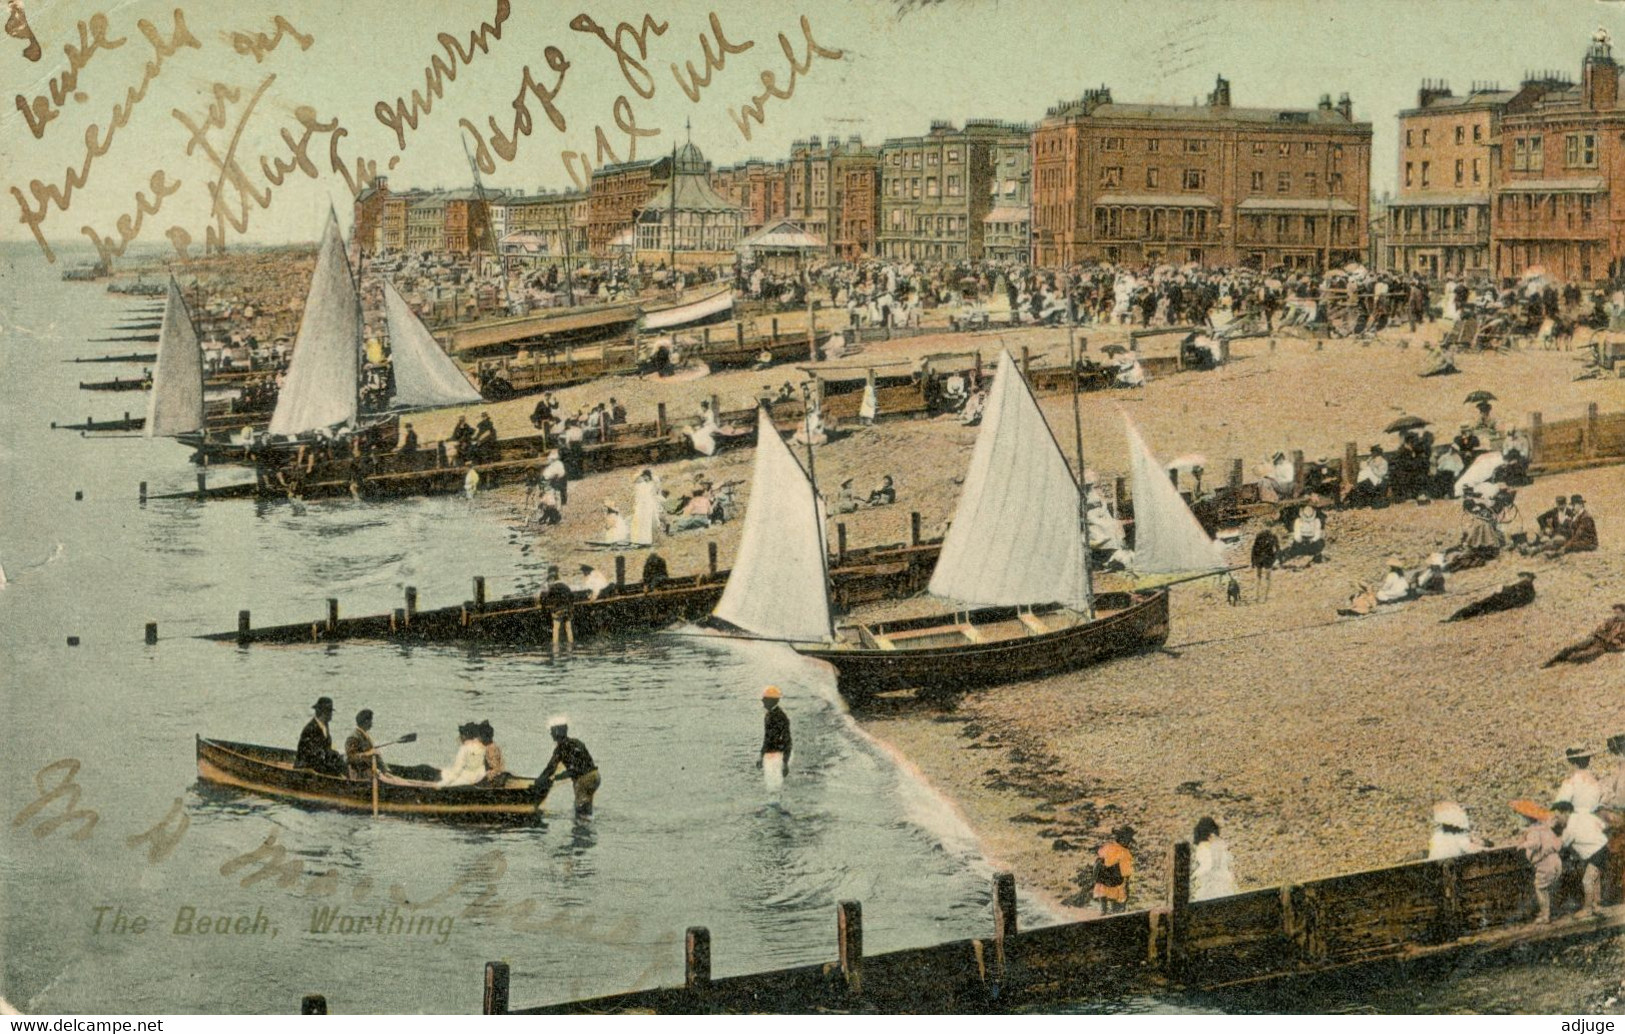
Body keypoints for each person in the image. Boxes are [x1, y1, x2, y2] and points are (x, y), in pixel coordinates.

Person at [1551, 801, 1608, 915]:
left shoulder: (1569, 829)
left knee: (1587, 880)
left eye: (1557, 816)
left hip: (1596, 852)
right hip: (1602, 846)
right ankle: (1596, 905)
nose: (1556, 819)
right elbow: (1602, 825)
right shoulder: (1583, 814)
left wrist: (1550, 828)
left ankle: (1587, 909)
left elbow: (1561, 844)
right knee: (1594, 879)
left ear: (1566, 813)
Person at [1514, 800, 1563, 923]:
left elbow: (1535, 844)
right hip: (1555, 860)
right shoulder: (1545, 827)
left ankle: (1545, 915)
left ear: (1526, 818)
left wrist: (1523, 845)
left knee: (1540, 888)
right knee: (1547, 888)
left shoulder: (1533, 831)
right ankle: (1546, 911)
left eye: (1519, 817)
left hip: (1545, 864)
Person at [540, 718, 600, 817]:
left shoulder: (561, 748)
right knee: (587, 807)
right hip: (595, 776)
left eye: (552, 732)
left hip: (583, 780)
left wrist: (542, 780)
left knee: (580, 812)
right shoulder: (577, 742)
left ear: (557, 733)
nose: (551, 734)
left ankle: (582, 826)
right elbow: (581, 764)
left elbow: (551, 768)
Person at [1545, 603, 1625, 666]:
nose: (1616, 615)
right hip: (1597, 638)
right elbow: (1600, 628)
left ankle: (1566, 661)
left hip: (1606, 646)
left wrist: (1615, 644)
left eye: (1618, 613)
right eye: (1616, 613)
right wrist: (1597, 634)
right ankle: (1556, 659)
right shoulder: (1612, 620)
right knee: (1576, 646)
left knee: (1585, 655)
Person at [1443, 571, 1536, 622]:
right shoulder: (1530, 590)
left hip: (1500, 600)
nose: (1520, 578)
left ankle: (1454, 618)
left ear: (1527, 577)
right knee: (1480, 608)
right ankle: (1455, 617)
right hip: (1504, 603)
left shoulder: (1523, 584)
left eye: (1522, 576)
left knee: (1478, 606)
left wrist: (1502, 588)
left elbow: (1511, 593)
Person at [1191, 817, 1238, 901]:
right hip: (1226, 888)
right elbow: (1228, 866)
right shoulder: (1221, 844)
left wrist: (1194, 876)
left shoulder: (1202, 846)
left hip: (1210, 890)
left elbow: (1207, 866)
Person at [1092, 825, 1136, 914]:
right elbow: (1125, 874)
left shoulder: (1107, 847)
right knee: (1116, 909)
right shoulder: (1125, 853)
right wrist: (1127, 890)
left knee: (1103, 908)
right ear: (1124, 840)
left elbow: (1100, 858)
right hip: (1115, 884)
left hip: (1102, 882)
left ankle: (1103, 913)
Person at [295, 697, 345, 776]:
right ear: (324, 713)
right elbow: (310, 753)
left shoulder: (325, 725)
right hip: (307, 765)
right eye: (330, 712)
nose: (331, 715)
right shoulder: (311, 728)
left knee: (340, 762)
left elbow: (325, 748)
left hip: (319, 761)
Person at [759, 686, 792, 799]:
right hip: (770, 755)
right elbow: (767, 737)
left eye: (764, 699)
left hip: (777, 756)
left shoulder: (780, 717)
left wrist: (785, 762)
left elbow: (787, 740)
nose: (762, 701)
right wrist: (761, 756)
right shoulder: (769, 715)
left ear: (771, 700)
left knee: (774, 787)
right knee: (771, 787)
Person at [437, 723, 488, 788]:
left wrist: (441, 784)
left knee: (445, 774)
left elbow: (457, 771)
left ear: (464, 736)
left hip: (468, 779)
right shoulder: (483, 747)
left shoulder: (464, 748)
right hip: (480, 777)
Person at [1556, 745, 1602, 815]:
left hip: (1574, 822)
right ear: (1588, 761)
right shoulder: (1596, 783)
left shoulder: (1570, 784)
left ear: (1572, 763)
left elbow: (1559, 809)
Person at [629, 469, 660, 547]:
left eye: (646, 477)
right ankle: (639, 541)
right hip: (640, 506)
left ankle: (647, 541)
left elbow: (656, 482)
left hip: (648, 505)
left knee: (647, 523)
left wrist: (650, 475)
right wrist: (640, 473)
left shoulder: (651, 483)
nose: (644, 478)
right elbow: (634, 479)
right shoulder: (639, 484)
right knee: (639, 523)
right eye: (643, 477)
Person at [344, 709, 377, 780]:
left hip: (368, 772)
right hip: (359, 775)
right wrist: (368, 753)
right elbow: (351, 758)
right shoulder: (353, 737)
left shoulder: (364, 735)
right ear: (366, 722)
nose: (372, 723)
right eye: (371, 720)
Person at [1250, 528, 1278, 601]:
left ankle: (1258, 596)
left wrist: (1252, 561)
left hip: (1261, 558)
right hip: (1266, 558)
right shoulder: (1273, 536)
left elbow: (1254, 548)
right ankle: (1262, 596)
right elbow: (1277, 549)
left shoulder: (1260, 535)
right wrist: (1275, 559)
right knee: (1266, 578)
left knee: (1259, 577)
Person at [478, 720, 507, 787]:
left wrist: (483, 775)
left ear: (484, 735)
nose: (479, 738)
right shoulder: (494, 746)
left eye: (480, 735)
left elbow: (496, 769)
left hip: (494, 782)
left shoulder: (490, 749)